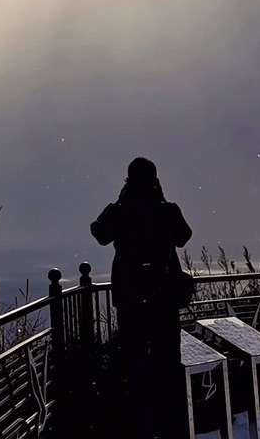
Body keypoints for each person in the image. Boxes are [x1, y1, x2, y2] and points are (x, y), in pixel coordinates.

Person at [92, 157, 193, 439]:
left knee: (135, 373)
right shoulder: (166, 210)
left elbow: (99, 233)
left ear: (128, 181)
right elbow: (184, 236)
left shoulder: (121, 210)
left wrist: (122, 204)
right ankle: (173, 429)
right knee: (169, 370)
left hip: (132, 304)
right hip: (165, 302)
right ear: (156, 180)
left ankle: (142, 430)